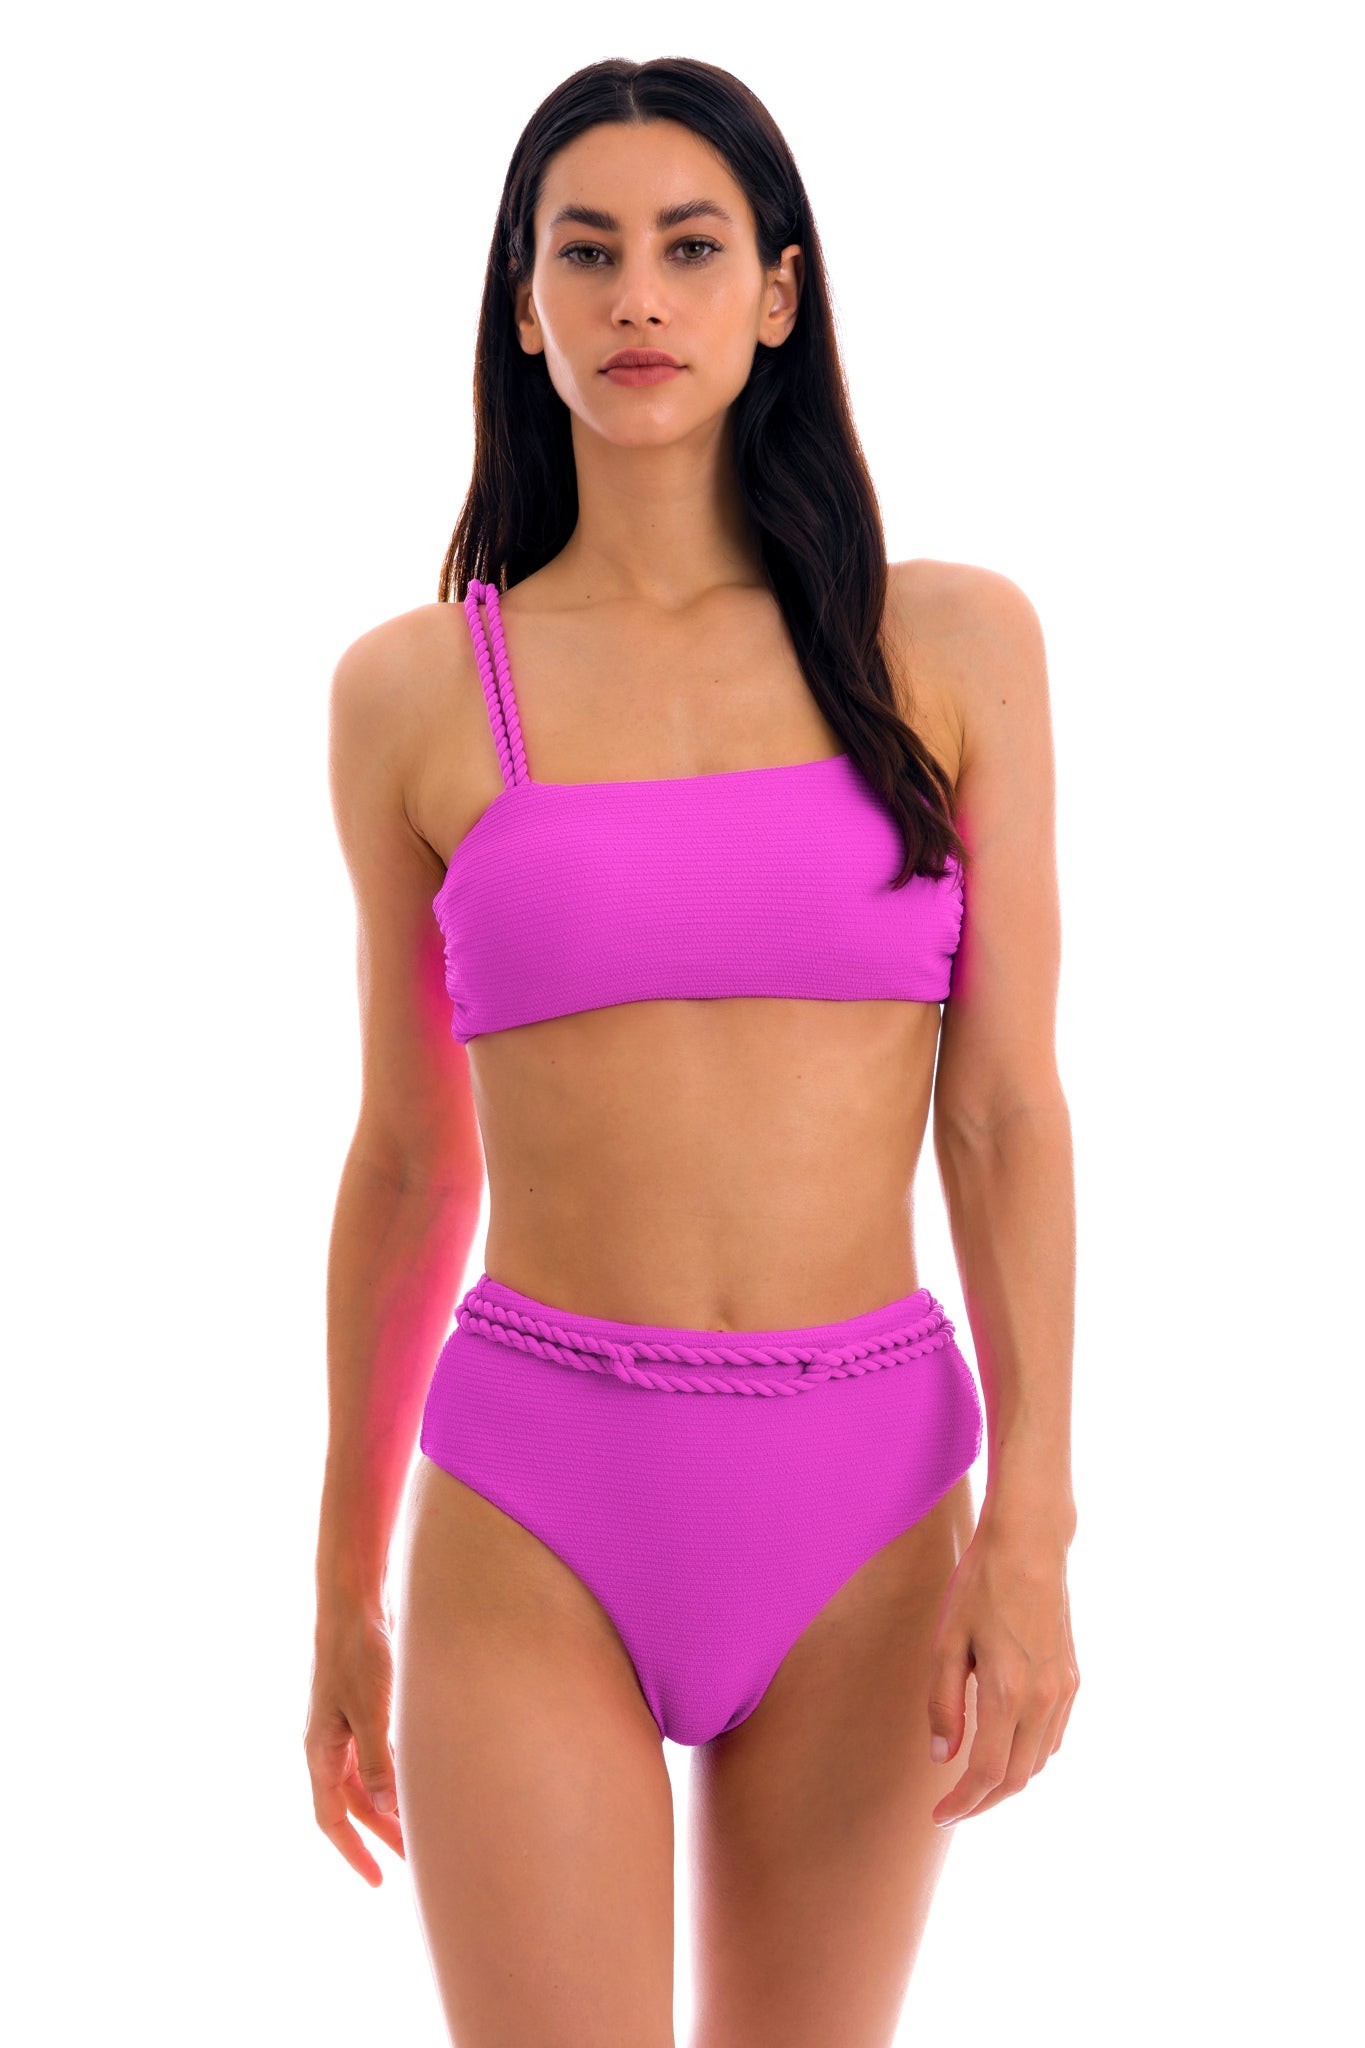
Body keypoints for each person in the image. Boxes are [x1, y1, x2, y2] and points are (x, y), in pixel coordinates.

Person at [305, 53, 1079, 2048]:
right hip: (535, 1492)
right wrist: (339, 1585)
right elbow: (408, 1161)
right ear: (522, 303)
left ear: (774, 294)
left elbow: (1004, 1113)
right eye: (584, 253)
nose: (635, 297)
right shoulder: (415, 692)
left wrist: (1034, 1525)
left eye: (688, 247)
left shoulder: (945, 648)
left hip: (870, 1495)